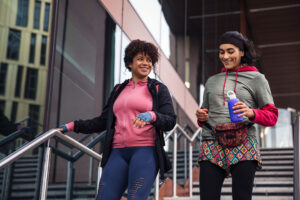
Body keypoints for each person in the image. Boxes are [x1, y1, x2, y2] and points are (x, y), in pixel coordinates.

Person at [58, 39, 176, 200]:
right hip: (117, 153)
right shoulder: (118, 90)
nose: (146, 63)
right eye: (141, 58)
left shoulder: (157, 88)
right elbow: (102, 121)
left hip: (145, 151)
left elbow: (170, 120)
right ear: (130, 63)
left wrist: (152, 115)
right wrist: (71, 126)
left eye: (149, 60)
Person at [196, 31, 278, 200]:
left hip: (244, 141)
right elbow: (204, 117)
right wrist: (201, 117)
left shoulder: (257, 78)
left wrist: (251, 113)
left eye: (230, 51)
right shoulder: (212, 81)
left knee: (242, 197)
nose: (225, 56)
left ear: (242, 52)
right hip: (212, 142)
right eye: (221, 52)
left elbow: (272, 116)